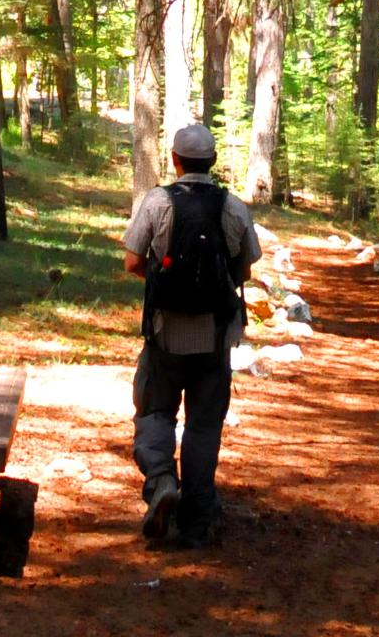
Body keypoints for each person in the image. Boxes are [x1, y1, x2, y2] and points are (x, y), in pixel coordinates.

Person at [123, 123, 260, 548]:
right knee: (203, 425)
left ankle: (162, 481)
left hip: (165, 333)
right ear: (213, 162)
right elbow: (245, 270)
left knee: (155, 412)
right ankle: (197, 519)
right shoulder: (233, 207)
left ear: (175, 160)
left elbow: (131, 262)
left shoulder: (157, 202)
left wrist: (161, 283)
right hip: (216, 337)